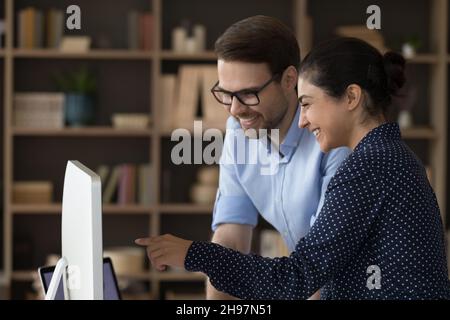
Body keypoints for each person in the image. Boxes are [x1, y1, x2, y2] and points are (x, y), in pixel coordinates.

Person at [136, 37, 450, 299]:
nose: (302, 120)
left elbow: (297, 277)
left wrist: (194, 254)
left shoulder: (369, 166)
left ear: (352, 97)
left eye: (309, 104)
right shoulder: (388, 156)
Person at [157, 15, 349, 300]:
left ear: (289, 80)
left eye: (248, 94)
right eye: (226, 94)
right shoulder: (240, 130)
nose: (234, 110)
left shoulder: (334, 141)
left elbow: (322, 269)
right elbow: (230, 241)